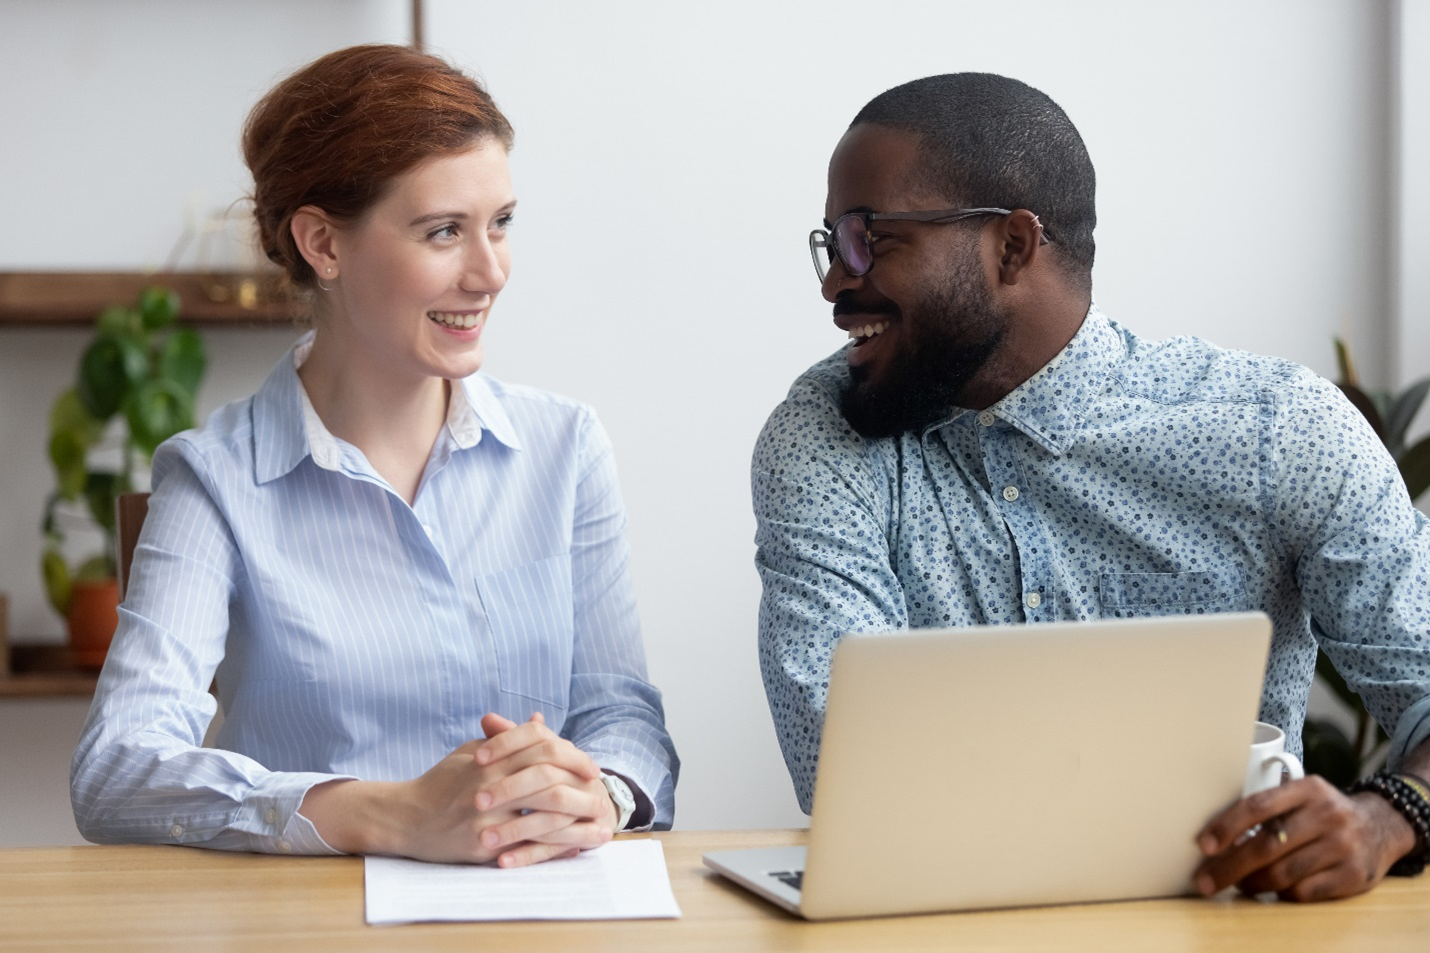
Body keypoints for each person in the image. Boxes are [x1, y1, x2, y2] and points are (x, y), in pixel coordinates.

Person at [752, 72, 1430, 901]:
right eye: (831, 242)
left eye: (869, 238)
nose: (834, 281)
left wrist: (1389, 815)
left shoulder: (1277, 431)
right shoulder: (823, 437)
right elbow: (844, 776)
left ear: (1012, 245)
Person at [71, 44, 677, 867]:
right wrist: (390, 814)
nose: (491, 270)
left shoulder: (564, 447)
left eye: (501, 223)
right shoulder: (214, 478)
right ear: (323, 243)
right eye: (443, 232)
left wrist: (598, 794)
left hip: (542, 908)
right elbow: (117, 767)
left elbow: (624, 718)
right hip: (315, 920)